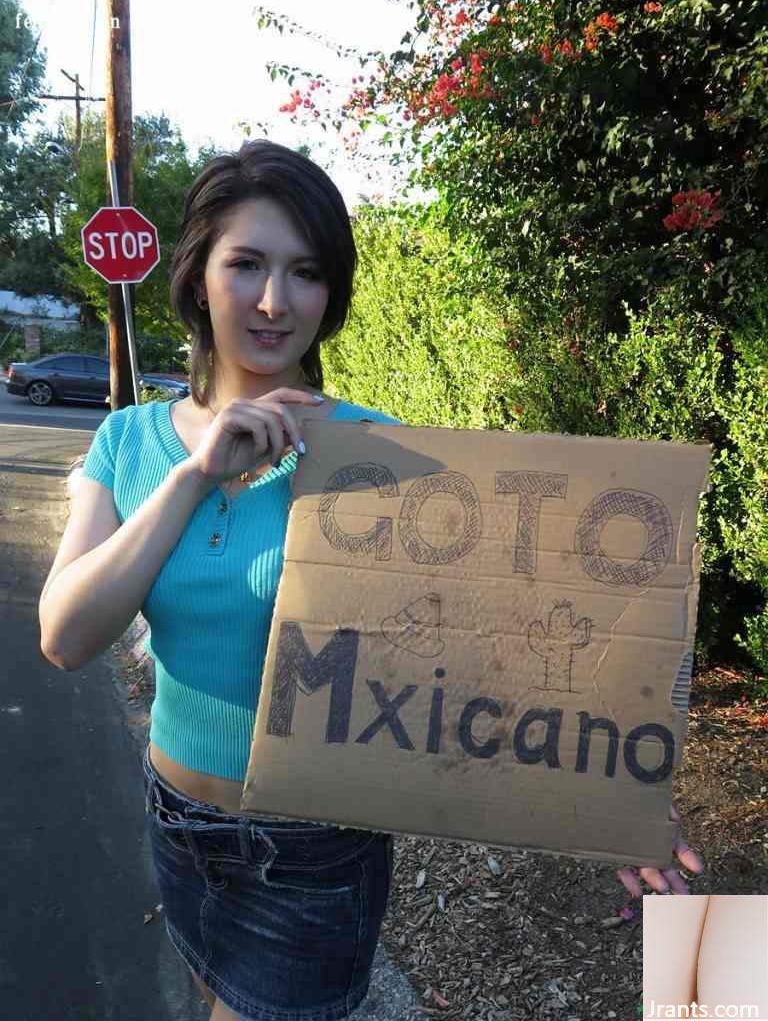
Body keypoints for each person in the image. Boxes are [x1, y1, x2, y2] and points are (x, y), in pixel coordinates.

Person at [38, 139, 704, 1021]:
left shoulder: (386, 457)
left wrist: (604, 795)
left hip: (313, 856)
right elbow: (65, 638)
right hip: (176, 827)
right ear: (198, 276)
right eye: (247, 264)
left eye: (306, 272)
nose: (275, 301)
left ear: (331, 293)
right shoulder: (128, 441)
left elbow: (485, 646)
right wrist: (192, 477)